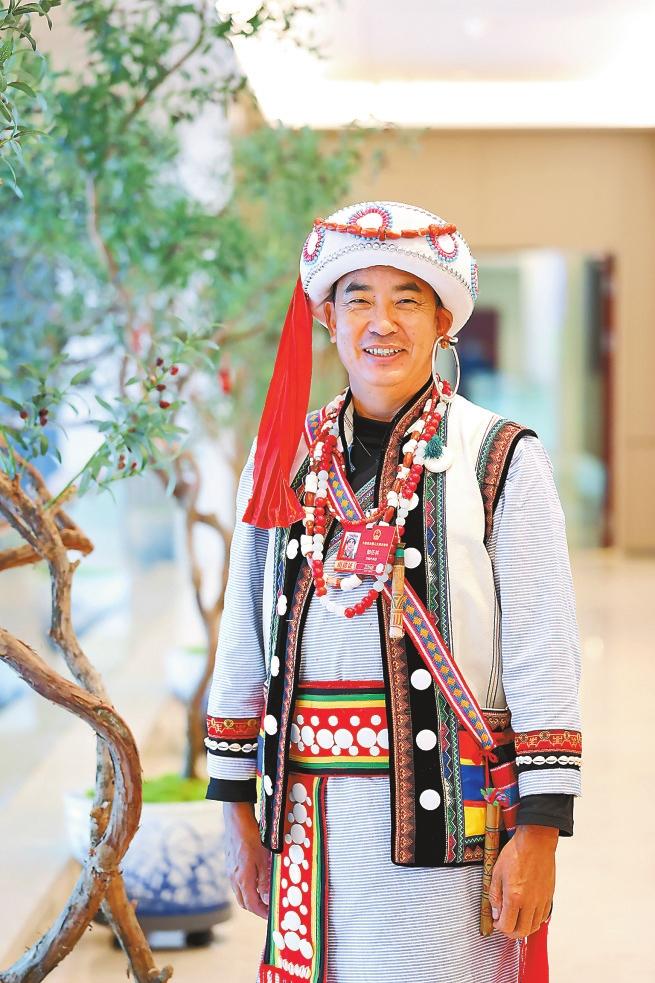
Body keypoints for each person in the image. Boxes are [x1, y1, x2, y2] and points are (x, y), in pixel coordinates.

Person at [205, 201, 582, 983]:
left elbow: (543, 649)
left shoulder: (499, 456)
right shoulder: (282, 457)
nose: (381, 322)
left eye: (406, 299)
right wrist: (235, 805)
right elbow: (243, 631)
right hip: (307, 816)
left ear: (442, 320)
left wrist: (540, 829)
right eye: (358, 299)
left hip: (445, 814)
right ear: (326, 318)